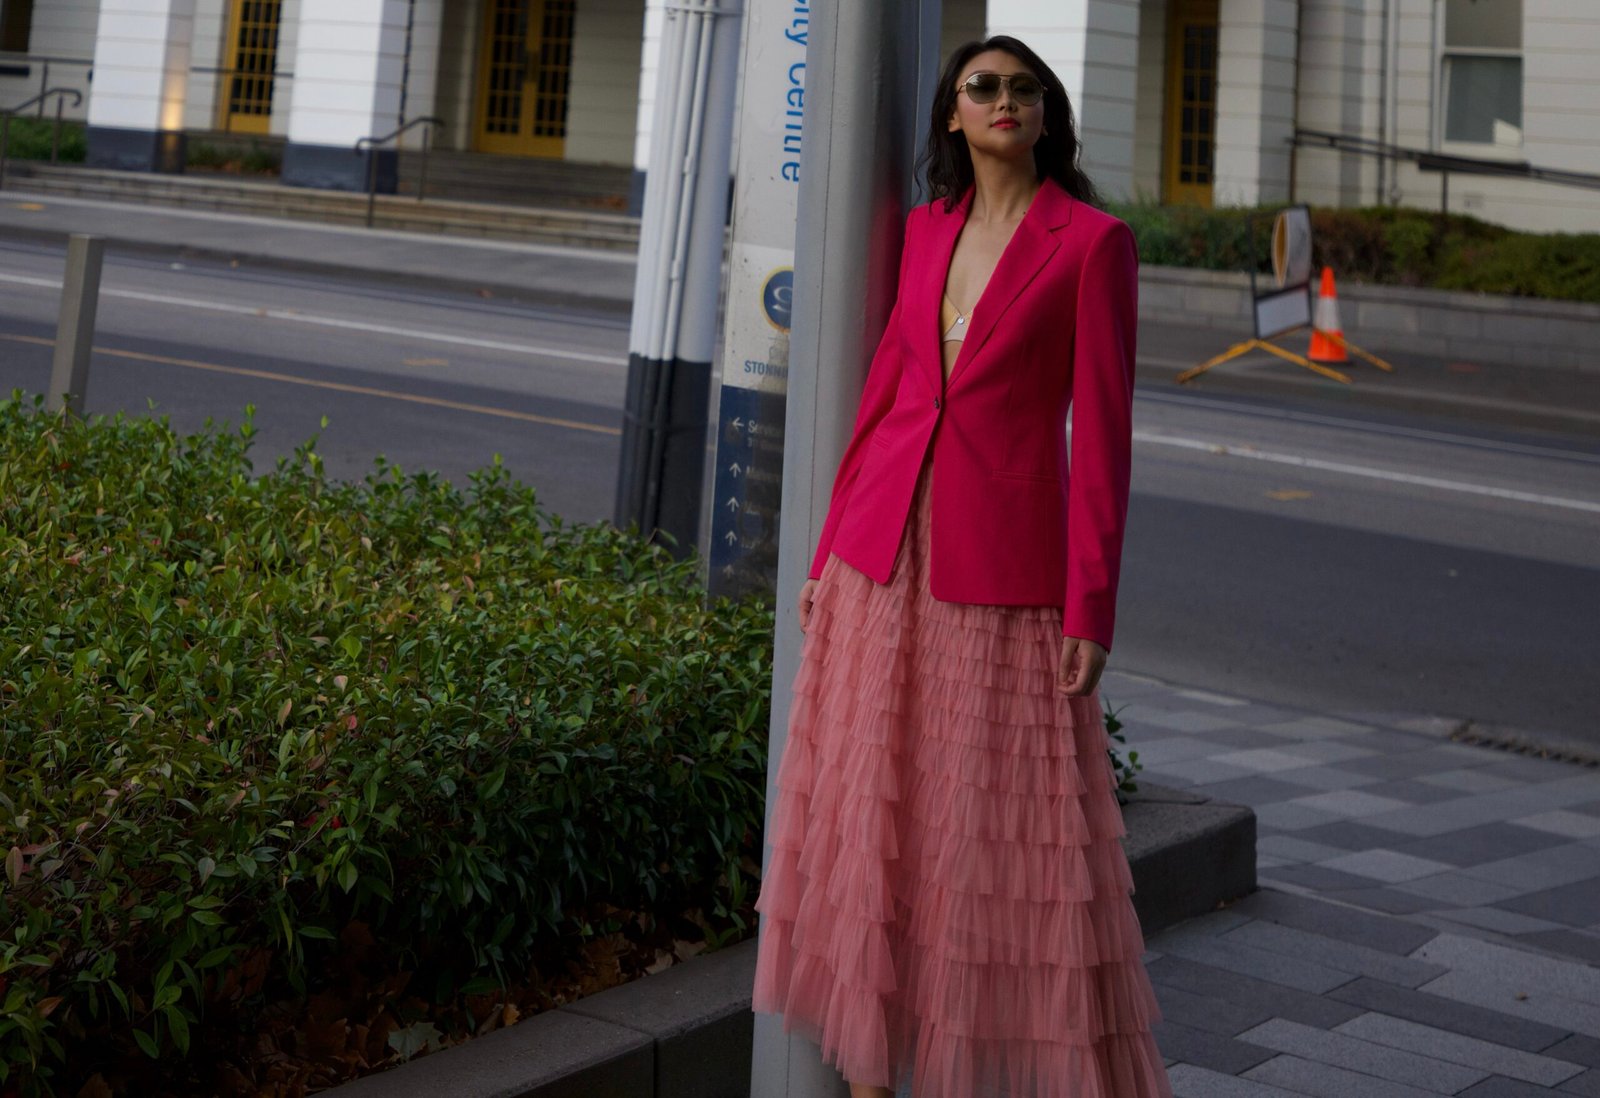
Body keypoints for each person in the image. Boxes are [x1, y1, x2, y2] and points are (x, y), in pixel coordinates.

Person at [750, 34, 1173, 1098]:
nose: (1003, 101)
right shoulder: (920, 229)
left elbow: (1102, 445)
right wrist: (826, 547)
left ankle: (975, 1068)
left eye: (1023, 90)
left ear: (1044, 115)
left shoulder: (1090, 244)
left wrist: (1092, 608)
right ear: (951, 113)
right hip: (879, 557)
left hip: (1001, 578)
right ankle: (872, 1077)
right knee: (875, 816)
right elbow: (890, 394)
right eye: (982, 87)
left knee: (983, 837)